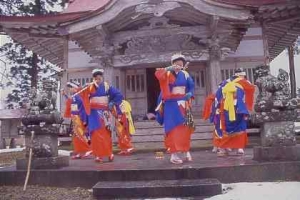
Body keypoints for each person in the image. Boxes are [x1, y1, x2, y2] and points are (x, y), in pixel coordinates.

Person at [204, 68, 255, 156]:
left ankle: (225, 148)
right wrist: (247, 107)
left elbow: (218, 96)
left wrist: (216, 108)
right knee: (239, 127)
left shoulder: (224, 83)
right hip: (238, 108)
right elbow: (249, 94)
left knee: (227, 128)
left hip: (226, 107)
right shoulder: (245, 82)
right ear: (242, 75)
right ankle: (239, 148)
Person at [155, 53, 195, 164]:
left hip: (184, 103)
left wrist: (190, 94)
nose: (178, 65)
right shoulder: (167, 73)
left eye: (180, 64)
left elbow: (191, 86)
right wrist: (168, 68)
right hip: (171, 104)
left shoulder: (185, 74)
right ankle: (173, 154)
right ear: (172, 64)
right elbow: (158, 74)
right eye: (176, 64)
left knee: (185, 128)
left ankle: (186, 150)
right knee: (173, 129)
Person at [81, 69, 124, 163]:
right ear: (93, 78)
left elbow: (118, 94)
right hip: (93, 113)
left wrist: (112, 102)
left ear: (102, 78)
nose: (98, 80)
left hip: (104, 113)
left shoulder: (107, 86)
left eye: (99, 78)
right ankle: (98, 155)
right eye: (96, 78)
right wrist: (84, 89)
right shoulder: (90, 87)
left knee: (106, 134)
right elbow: (83, 96)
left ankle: (109, 153)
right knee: (95, 134)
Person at [62, 80, 91, 159]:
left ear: (75, 88)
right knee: (76, 136)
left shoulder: (78, 98)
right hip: (74, 118)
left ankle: (88, 149)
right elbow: (70, 101)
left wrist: (84, 120)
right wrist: (65, 95)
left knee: (80, 135)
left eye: (71, 87)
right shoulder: (74, 97)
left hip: (78, 118)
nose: (70, 89)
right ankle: (78, 152)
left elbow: (82, 110)